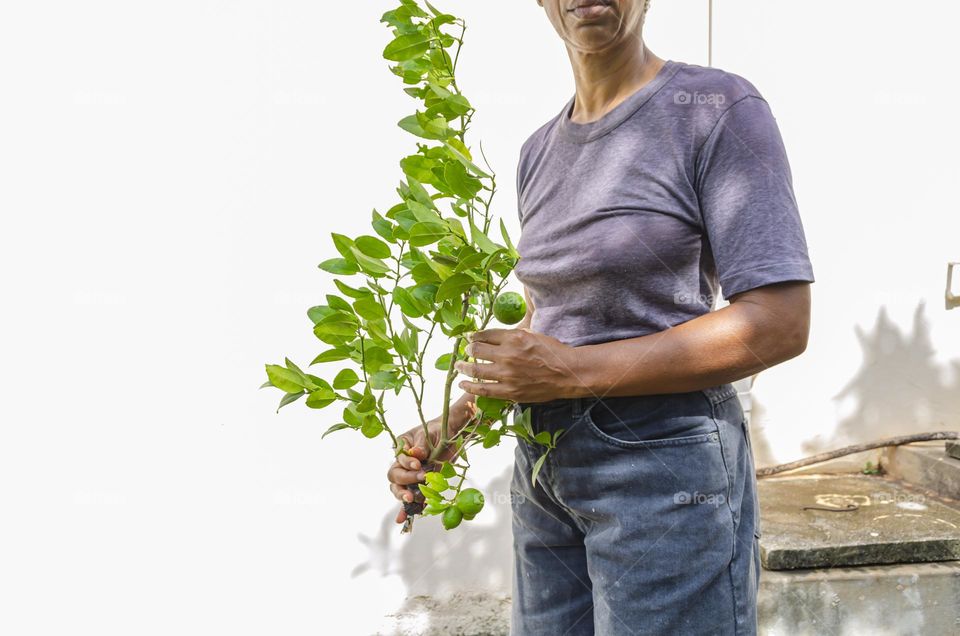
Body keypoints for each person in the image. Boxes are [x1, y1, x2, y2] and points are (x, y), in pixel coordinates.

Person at [387, 0, 815, 633]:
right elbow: (554, 319)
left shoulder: (717, 108)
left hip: (663, 464)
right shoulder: (538, 151)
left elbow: (779, 322)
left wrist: (572, 373)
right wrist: (459, 417)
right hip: (545, 472)